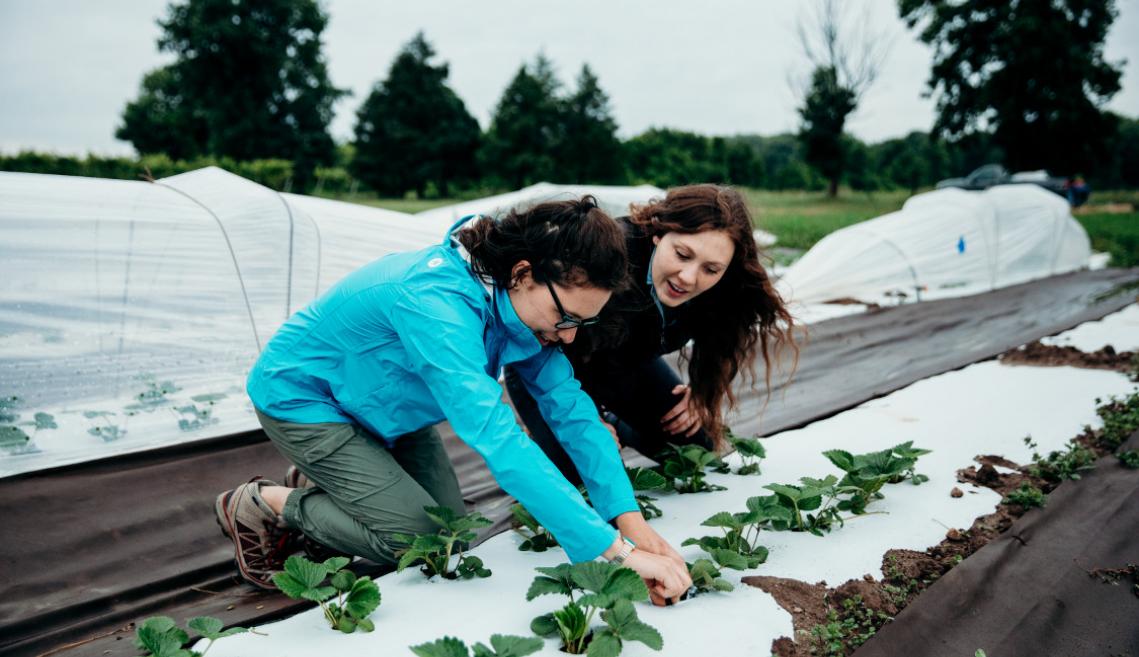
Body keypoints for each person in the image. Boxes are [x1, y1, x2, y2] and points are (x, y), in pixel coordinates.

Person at [214, 197, 691, 603]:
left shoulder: (521, 310)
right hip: (308, 401)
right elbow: (500, 441)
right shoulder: (435, 304)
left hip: (390, 410)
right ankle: (263, 503)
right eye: (565, 316)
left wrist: (631, 523)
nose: (568, 337)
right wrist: (617, 553)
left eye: (581, 324)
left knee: (449, 536)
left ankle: (342, 480)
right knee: (415, 539)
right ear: (524, 273)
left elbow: (573, 413)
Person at [506, 184, 796, 483]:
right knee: (590, 475)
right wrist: (580, 416)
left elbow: (722, 342)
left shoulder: (723, 291)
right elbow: (542, 338)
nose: (688, 278)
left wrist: (700, 393)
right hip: (547, 366)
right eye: (682, 255)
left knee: (694, 451)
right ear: (658, 233)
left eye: (711, 269)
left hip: (624, 364)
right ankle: (541, 434)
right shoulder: (606, 253)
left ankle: (618, 425)